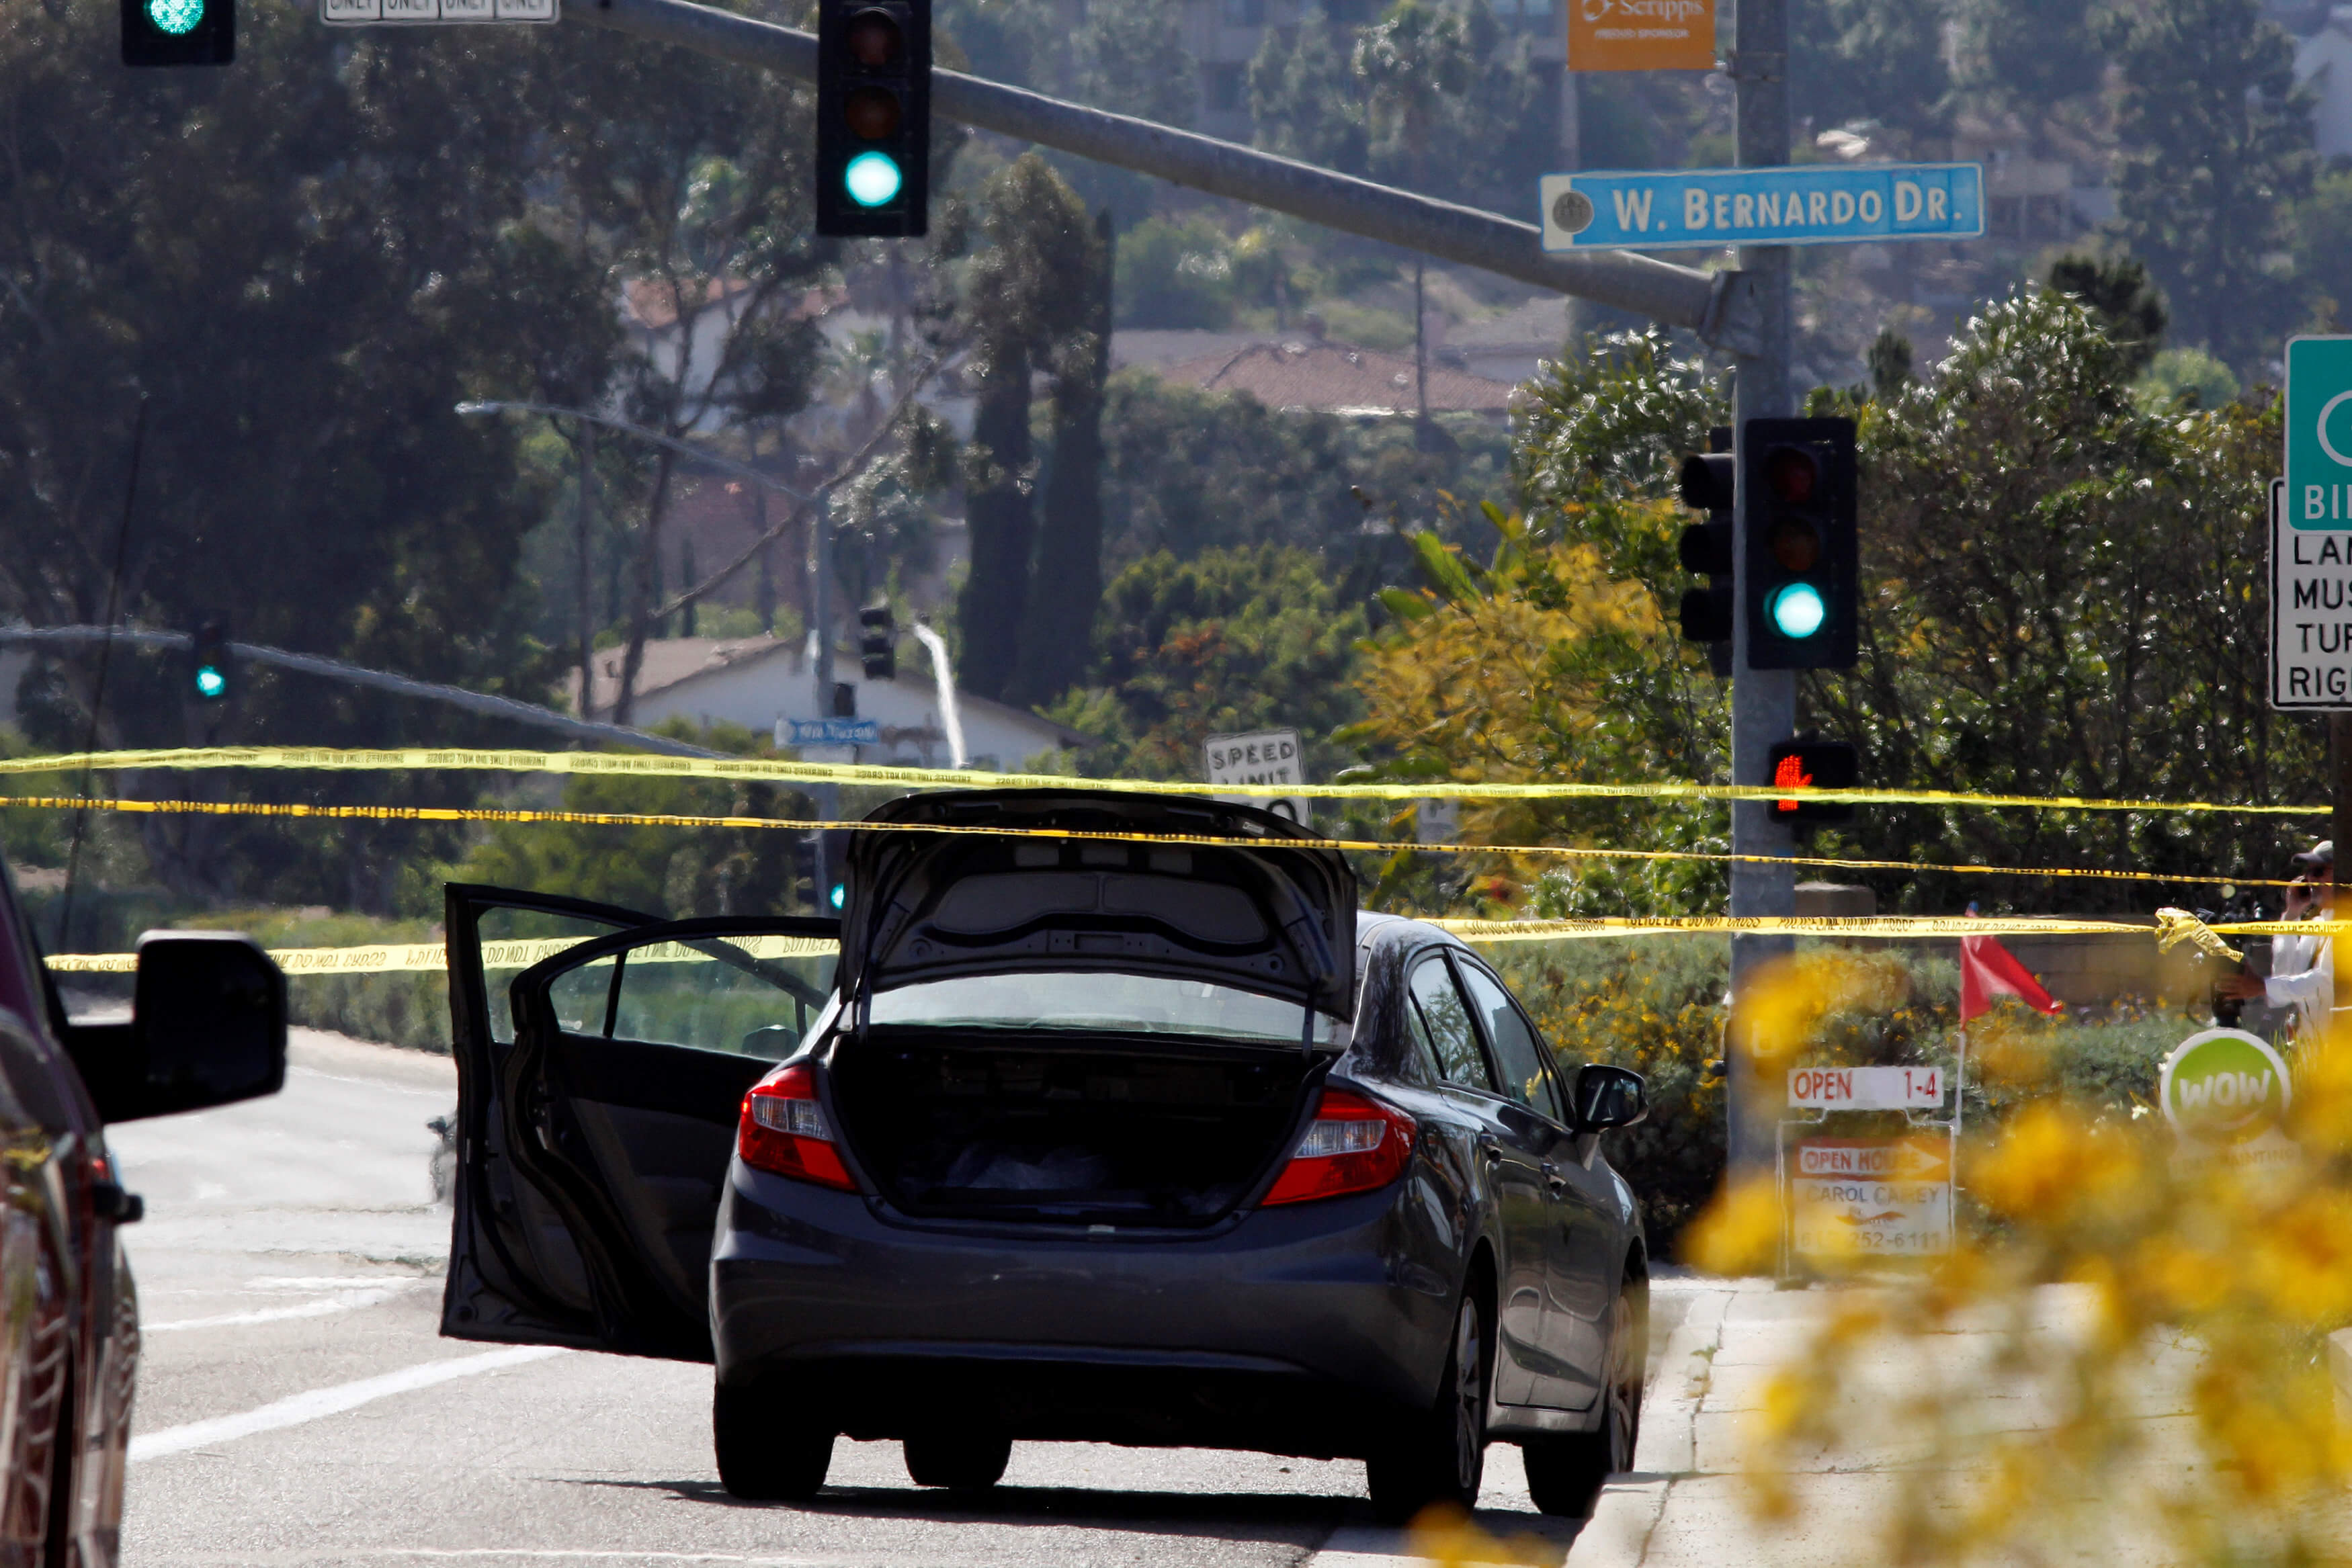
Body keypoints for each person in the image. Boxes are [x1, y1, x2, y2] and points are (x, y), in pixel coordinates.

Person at [2217, 840, 2333, 1042]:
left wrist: (2264, 986)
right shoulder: (2318, 925)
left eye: (2318, 872)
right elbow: (2285, 975)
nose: (2309, 879)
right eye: (2308, 873)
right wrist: (2291, 915)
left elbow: (2326, 982)